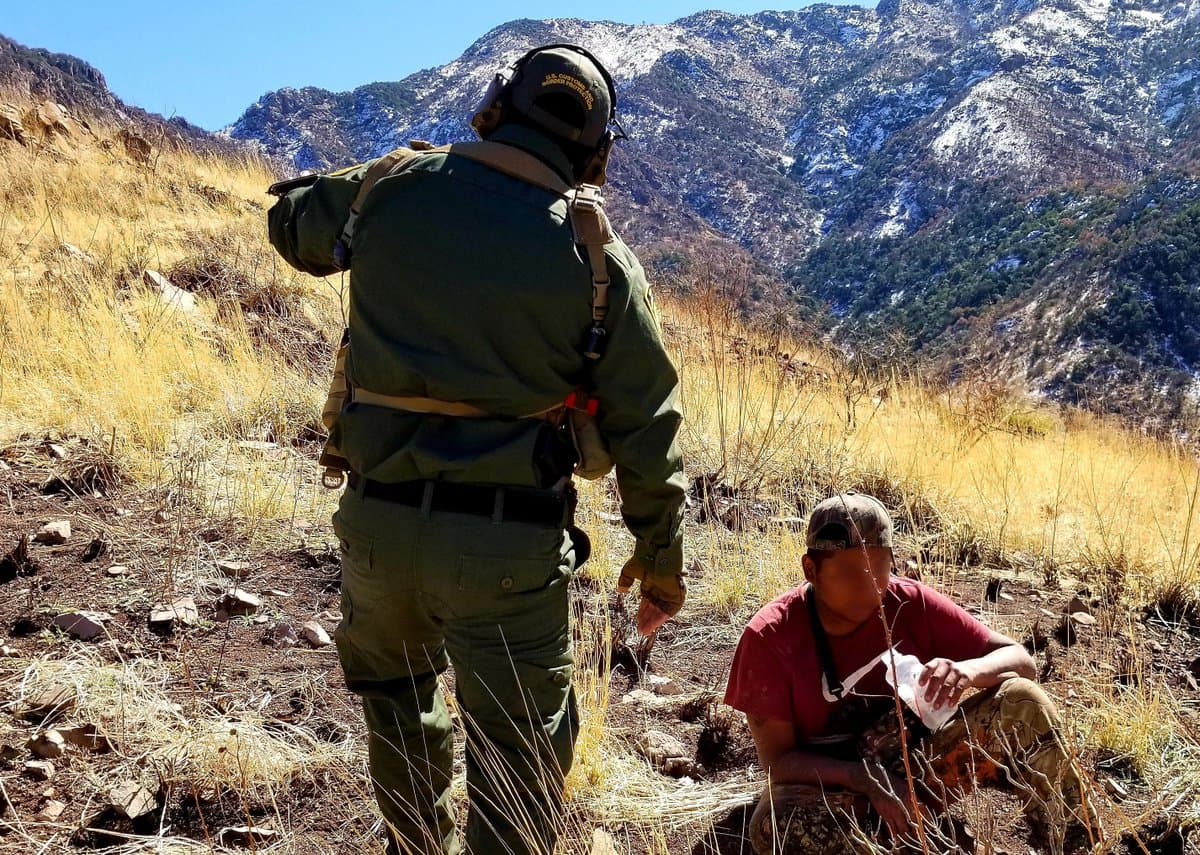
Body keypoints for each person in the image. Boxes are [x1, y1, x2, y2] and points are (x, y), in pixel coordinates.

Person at [266, 44, 687, 855]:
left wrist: (383, 173)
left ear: (494, 104)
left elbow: (292, 226)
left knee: (396, 702)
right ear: (596, 148)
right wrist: (661, 558)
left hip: (377, 529)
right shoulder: (600, 259)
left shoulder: (391, 189)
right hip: (506, 546)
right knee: (521, 752)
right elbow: (648, 423)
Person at [724, 493, 1097, 854]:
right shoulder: (770, 638)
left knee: (1021, 701)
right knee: (775, 828)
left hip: (917, 770)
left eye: (880, 568)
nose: (868, 586)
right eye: (850, 571)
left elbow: (1021, 662)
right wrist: (863, 779)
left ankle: (1078, 843)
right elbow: (779, 762)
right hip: (833, 787)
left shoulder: (911, 604)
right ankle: (917, 841)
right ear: (811, 570)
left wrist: (967, 671)